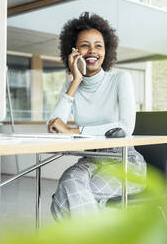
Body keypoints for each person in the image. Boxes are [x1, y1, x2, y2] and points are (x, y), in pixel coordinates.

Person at [48, 12, 146, 221]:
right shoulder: (71, 86)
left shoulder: (120, 78)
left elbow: (126, 127)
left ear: (106, 50)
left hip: (124, 163)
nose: (92, 50)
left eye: (98, 45)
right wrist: (75, 81)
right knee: (70, 182)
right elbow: (55, 128)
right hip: (91, 161)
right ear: (73, 52)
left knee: (63, 200)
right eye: (84, 45)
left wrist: (73, 131)